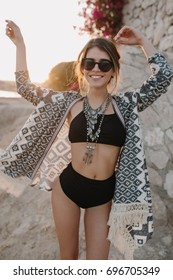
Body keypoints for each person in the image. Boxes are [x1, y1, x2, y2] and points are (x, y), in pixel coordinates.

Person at [1, 19, 173, 260]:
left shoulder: (126, 105)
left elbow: (163, 77)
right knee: (68, 258)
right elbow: (25, 88)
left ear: (113, 70)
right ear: (82, 67)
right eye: (89, 62)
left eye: (104, 64)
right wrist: (19, 44)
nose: (96, 69)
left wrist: (143, 41)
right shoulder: (68, 103)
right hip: (67, 189)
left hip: (102, 196)